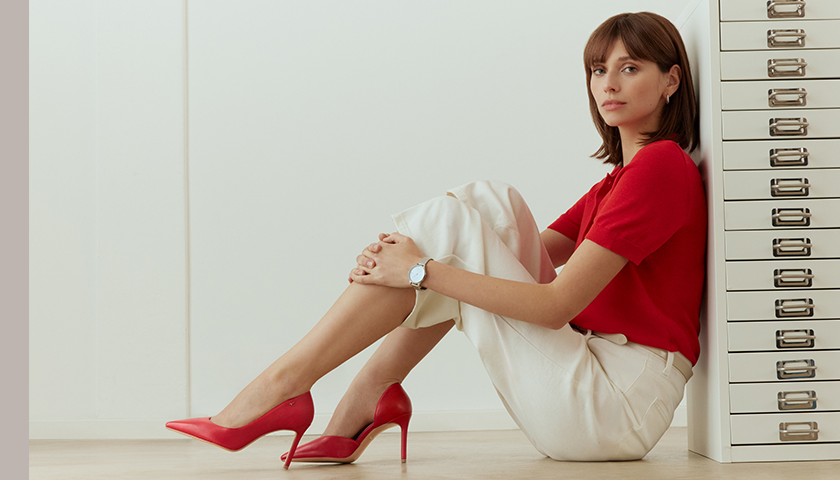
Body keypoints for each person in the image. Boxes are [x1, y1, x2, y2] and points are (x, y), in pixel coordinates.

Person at [165, 11, 705, 469]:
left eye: (629, 68)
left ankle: (285, 385)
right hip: (592, 381)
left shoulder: (660, 167)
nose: (607, 83)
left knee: (452, 231)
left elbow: (555, 305)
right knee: (489, 203)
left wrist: (419, 270)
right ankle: (366, 396)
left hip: (612, 410)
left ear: (671, 81)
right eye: (597, 69)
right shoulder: (619, 180)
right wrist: (413, 254)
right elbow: (508, 243)